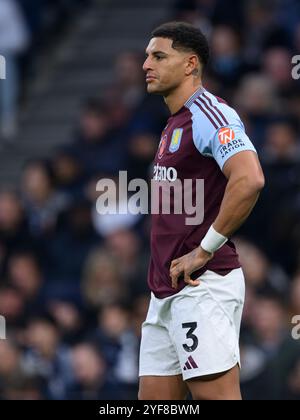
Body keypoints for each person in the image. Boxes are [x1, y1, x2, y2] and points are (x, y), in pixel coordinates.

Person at [139, 22, 265, 401]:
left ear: (191, 64)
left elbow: (250, 179)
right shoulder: (172, 124)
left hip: (202, 286)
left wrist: (206, 249)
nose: (146, 63)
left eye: (159, 56)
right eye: (147, 55)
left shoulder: (210, 114)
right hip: (165, 291)